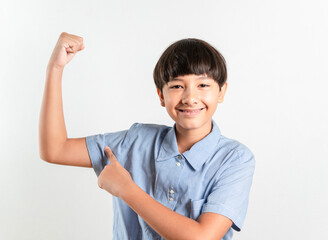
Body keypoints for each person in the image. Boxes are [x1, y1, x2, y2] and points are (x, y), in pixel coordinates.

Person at [39, 32, 255, 240]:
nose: (190, 97)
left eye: (203, 85)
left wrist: (126, 189)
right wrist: (55, 68)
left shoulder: (235, 159)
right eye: (178, 86)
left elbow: (201, 237)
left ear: (221, 92)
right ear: (161, 95)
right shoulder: (136, 141)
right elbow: (55, 149)